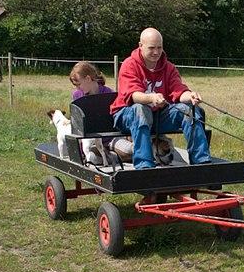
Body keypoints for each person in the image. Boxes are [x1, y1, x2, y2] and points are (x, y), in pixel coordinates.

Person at [109, 27, 211, 169]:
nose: (156, 52)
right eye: (151, 48)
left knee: (190, 110)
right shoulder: (129, 65)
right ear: (140, 46)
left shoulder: (168, 67)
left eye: (159, 47)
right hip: (126, 114)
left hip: (157, 115)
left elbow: (178, 91)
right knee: (140, 109)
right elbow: (134, 95)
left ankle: (202, 162)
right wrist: (151, 98)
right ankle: (145, 165)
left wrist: (190, 96)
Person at [69, 61, 120, 164]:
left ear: (88, 79)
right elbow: (77, 125)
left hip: (110, 139)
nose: (77, 88)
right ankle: (110, 157)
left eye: (79, 84)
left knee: (128, 150)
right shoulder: (77, 96)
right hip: (91, 141)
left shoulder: (108, 93)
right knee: (92, 157)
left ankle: (113, 156)